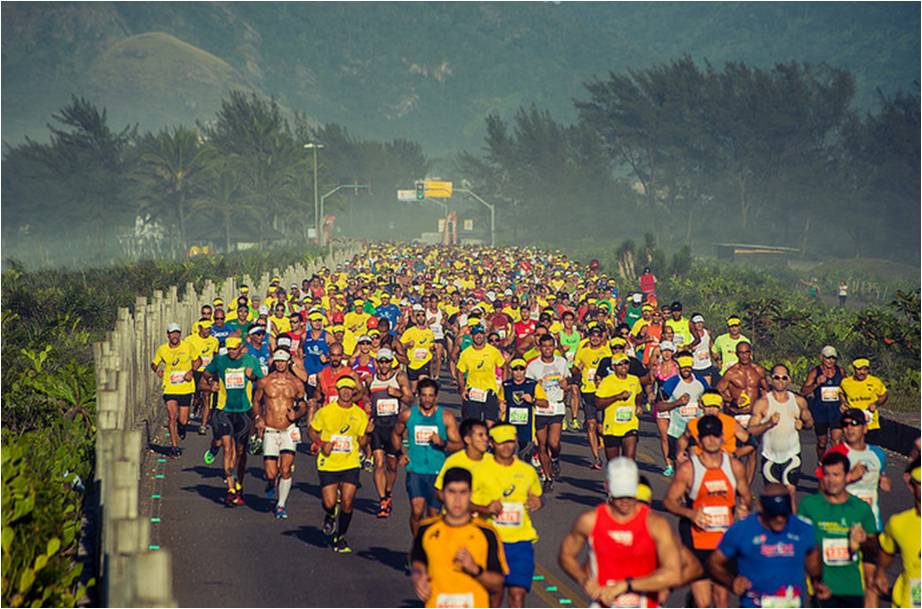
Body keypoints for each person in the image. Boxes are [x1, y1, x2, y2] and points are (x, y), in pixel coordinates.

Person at [558, 458, 682, 607]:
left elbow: (673, 574)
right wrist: (584, 579)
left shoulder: (655, 524)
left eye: (629, 495)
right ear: (607, 486)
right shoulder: (590, 521)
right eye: (619, 495)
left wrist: (627, 585)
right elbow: (566, 554)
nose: (625, 501)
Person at [664, 414, 752, 608]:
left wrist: (744, 508)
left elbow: (746, 496)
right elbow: (669, 502)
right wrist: (690, 514)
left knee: (721, 599)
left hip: (723, 542)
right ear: (699, 440)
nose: (711, 440)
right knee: (704, 603)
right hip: (697, 541)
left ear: (722, 438)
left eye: (714, 435)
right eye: (706, 436)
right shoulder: (689, 470)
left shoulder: (734, 467)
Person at [709, 484, 822, 608]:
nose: (779, 519)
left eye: (783, 514)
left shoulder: (803, 529)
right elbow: (714, 563)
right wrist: (732, 582)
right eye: (773, 514)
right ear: (761, 507)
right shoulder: (742, 530)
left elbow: (813, 562)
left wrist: (818, 581)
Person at [410, 467, 508, 609]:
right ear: (442, 495)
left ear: (470, 495)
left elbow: (498, 582)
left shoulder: (487, 533)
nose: (457, 500)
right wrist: (418, 576)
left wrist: (475, 569)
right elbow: (418, 562)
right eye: (452, 492)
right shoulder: (426, 530)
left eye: (463, 492)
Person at [798, 451, 879, 607]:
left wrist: (864, 540)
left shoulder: (860, 508)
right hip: (822, 587)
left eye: (836, 475)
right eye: (827, 475)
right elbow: (799, 545)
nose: (831, 480)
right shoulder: (809, 505)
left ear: (846, 476)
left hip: (853, 588)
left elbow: (874, 551)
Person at [477, 424, 543, 608]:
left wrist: (537, 501)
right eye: (501, 443)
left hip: (521, 542)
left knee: (517, 595)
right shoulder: (481, 470)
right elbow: (464, 505)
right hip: (491, 543)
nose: (506, 447)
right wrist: (485, 508)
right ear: (492, 443)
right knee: (494, 596)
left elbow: (538, 496)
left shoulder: (527, 471)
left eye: (510, 442)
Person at [307, 375, 371, 553]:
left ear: (353, 392)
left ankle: (340, 537)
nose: (345, 392)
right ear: (337, 391)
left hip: (350, 462)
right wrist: (321, 444)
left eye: (349, 389)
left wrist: (367, 434)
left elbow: (363, 442)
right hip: (328, 462)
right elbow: (311, 430)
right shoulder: (326, 411)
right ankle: (329, 514)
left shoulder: (359, 415)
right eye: (342, 389)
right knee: (329, 502)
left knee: (348, 502)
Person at [391, 378, 462, 536]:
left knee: (433, 515)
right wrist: (399, 454)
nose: (427, 399)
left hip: (438, 472)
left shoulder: (445, 416)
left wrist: (442, 443)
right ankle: (417, 547)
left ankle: (432, 549)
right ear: (418, 396)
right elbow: (396, 434)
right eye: (424, 395)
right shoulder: (408, 415)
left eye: (430, 395)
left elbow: (459, 445)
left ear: (436, 397)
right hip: (415, 470)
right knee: (417, 511)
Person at [200, 336, 264, 506]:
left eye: (234, 349)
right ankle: (230, 489)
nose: (231, 352)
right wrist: (210, 386)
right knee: (228, 448)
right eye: (228, 349)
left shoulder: (251, 361)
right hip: (224, 411)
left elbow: (262, 383)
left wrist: (252, 378)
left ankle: (239, 485)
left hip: (243, 412)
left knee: (241, 451)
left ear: (241, 347)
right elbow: (203, 380)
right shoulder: (219, 361)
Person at [252, 350, 308, 519]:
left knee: (285, 469)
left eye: (283, 361)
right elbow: (256, 401)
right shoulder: (265, 382)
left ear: (288, 362)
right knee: (270, 472)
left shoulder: (296, 383)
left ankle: (281, 504)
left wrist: (296, 415)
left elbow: (303, 404)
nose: (280, 364)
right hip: (270, 429)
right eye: (277, 361)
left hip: (289, 430)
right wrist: (258, 418)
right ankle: (270, 482)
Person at [750, 364, 813, 507]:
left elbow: (810, 424)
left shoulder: (798, 401)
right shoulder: (763, 403)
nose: (780, 381)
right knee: (772, 497)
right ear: (771, 380)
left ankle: (792, 528)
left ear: (789, 380)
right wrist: (768, 424)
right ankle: (770, 528)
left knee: (790, 494)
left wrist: (803, 423)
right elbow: (751, 430)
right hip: (770, 457)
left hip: (792, 456)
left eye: (784, 378)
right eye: (776, 377)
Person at [367, 348, 412, 518]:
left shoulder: (398, 377)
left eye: (387, 361)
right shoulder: (372, 380)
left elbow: (410, 399)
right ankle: (382, 500)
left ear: (391, 362)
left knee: (391, 467)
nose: (384, 365)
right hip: (378, 427)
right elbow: (365, 399)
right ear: (377, 363)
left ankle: (388, 491)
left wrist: (398, 394)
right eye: (381, 362)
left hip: (394, 428)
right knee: (378, 463)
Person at [716, 340, 767, 483]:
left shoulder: (759, 371)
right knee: (735, 452)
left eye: (747, 352)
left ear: (751, 353)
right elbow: (719, 391)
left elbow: (765, 390)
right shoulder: (731, 373)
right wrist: (731, 400)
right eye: (741, 353)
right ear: (737, 354)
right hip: (736, 415)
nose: (744, 356)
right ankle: (734, 480)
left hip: (753, 417)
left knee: (752, 450)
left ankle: (747, 485)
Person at [872, 458, 920, 609]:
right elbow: (887, 549)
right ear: (911, 484)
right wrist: (880, 572)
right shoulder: (898, 523)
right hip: (911, 598)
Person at [151, 322, 201, 457]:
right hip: (170, 388)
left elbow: (198, 361)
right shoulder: (162, 349)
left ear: (180, 334)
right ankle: (174, 446)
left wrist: (191, 371)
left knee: (183, 420)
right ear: (168, 335)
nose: (175, 335)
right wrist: (158, 371)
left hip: (185, 388)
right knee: (172, 416)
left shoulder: (188, 346)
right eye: (172, 333)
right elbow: (154, 363)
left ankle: (182, 427)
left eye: (177, 333)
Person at [526, 334, 570, 484]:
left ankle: (555, 458)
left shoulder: (561, 362)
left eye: (550, 346)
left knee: (554, 443)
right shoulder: (533, 366)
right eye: (544, 346)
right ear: (540, 348)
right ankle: (548, 476)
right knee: (541, 444)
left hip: (556, 406)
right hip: (540, 408)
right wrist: (534, 386)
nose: (547, 349)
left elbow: (567, 379)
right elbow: (528, 386)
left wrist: (566, 384)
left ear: (554, 347)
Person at [655, 353, 706, 477]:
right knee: (680, 464)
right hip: (677, 431)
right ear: (678, 367)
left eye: (688, 367)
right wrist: (677, 403)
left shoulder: (700, 381)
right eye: (683, 367)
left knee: (695, 463)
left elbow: (710, 399)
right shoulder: (671, 383)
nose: (686, 370)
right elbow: (659, 406)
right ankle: (681, 490)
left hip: (695, 430)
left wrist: (704, 404)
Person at [434, 419, 494, 511]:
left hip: (485, 521)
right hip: (458, 520)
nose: (485, 439)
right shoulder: (453, 462)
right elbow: (439, 491)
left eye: (486, 435)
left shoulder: (493, 461)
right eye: (480, 435)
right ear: (467, 439)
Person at [573, 325, 611, 469]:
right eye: (592, 336)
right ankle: (596, 458)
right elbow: (575, 368)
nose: (595, 338)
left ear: (602, 338)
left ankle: (609, 451)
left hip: (604, 392)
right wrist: (577, 369)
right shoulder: (583, 352)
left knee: (603, 428)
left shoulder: (607, 352)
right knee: (591, 425)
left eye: (597, 336)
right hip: (588, 391)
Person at [594, 353, 643, 461]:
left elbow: (639, 393)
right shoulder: (607, 381)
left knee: (629, 460)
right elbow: (598, 403)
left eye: (626, 363)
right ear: (613, 367)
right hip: (612, 427)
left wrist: (639, 405)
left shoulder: (634, 380)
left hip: (630, 425)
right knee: (613, 464)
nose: (623, 366)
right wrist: (617, 397)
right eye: (619, 364)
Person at [456, 323, 506, 426]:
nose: (479, 336)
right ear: (472, 336)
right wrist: (462, 389)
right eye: (476, 334)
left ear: (484, 335)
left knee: (490, 423)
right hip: (473, 392)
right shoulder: (466, 353)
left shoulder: (493, 351)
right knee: (475, 424)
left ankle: (488, 441)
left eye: (481, 334)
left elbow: (505, 367)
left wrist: (503, 387)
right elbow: (460, 372)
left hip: (490, 391)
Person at [801, 345, 847, 459]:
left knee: (836, 440)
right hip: (820, 411)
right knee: (822, 442)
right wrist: (816, 383)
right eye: (828, 358)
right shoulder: (814, 372)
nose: (830, 361)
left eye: (833, 358)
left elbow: (847, 388)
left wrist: (845, 402)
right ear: (821, 357)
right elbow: (803, 392)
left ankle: (838, 466)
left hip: (836, 411)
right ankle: (821, 461)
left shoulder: (840, 371)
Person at [840, 358, 888, 445]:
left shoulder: (875, 381)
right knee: (855, 449)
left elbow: (884, 395)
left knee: (870, 449)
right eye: (859, 369)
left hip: (871, 423)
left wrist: (876, 404)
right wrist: (843, 403)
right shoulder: (846, 382)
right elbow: (841, 393)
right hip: (854, 423)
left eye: (865, 369)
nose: (862, 372)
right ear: (854, 369)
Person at [183, 320, 218, 435]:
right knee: (195, 395)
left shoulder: (214, 341)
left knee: (207, 397)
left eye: (209, 328)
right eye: (205, 328)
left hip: (208, 372)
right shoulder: (190, 340)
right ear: (199, 328)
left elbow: (215, 356)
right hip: (195, 371)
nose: (207, 331)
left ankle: (203, 425)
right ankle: (193, 407)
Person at [401, 304, 436, 392]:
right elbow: (400, 345)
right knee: (413, 390)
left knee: (422, 386)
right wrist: (408, 344)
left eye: (423, 315)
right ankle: (414, 404)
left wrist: (433, 348)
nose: (421, 317)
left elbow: (431, 345)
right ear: (415, 318)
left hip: (424, 362)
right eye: (418, 315)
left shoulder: (429, 332)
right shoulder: (410, 331)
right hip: (412, 363)